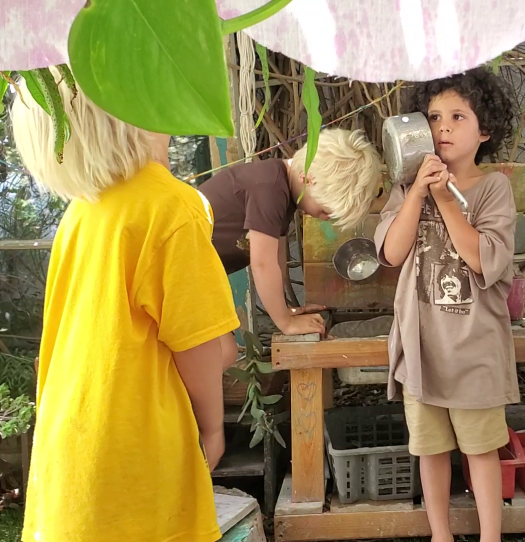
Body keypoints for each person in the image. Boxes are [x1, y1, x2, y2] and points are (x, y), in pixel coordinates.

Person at [12, 69, 240, 542]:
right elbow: (198, 345)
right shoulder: (170, 207)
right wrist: (213, 428)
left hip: (67, 467)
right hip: (133, 467)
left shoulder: (80, 213)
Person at [374, 67, 519, 542]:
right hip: (422, 347)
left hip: (474, 349)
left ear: (486, 129)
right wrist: (417, 191)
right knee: (431, 449)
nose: (444, 128)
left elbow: (482, 259)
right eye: (434, 117)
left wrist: (445, 198)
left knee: (480, 449)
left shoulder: (494, 187)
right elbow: (392, 253)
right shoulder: (406, 188)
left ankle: (490, 536)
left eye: (458, 116)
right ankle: (440, 534)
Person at [199, 128, 383, 336]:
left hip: (195, 274)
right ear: (307, 179)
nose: (323, 218)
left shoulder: (282, 190)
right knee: (221, 353)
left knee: (222, 352)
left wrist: (285, 310)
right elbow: (263, 264)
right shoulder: (269, 188)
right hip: (175, 267)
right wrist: (285, 323)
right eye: (324, 210)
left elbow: (278, 258)